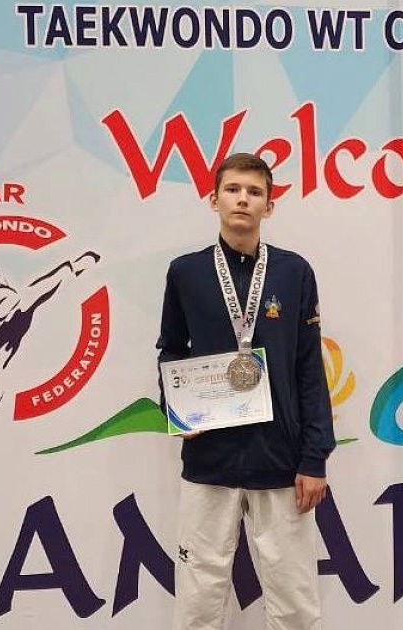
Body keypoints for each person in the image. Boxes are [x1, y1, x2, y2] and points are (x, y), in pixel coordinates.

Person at [157, 152, 335, 630]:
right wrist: (178, 410)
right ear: (213, 199)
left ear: (268, 206)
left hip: (280, 457)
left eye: (255, 192)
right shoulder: (185, 272)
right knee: (198, 594)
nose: (243, 199)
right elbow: (170, 348)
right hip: (209, 455)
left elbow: (308, 367)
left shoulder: (294, 272)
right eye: (233, 189)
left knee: (294, 597)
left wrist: (314, 458)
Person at [0, 249, 100, 423]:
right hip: (5, 326)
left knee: (39, 288)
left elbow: (11, 293)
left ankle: (79, 265)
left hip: (20, 308)